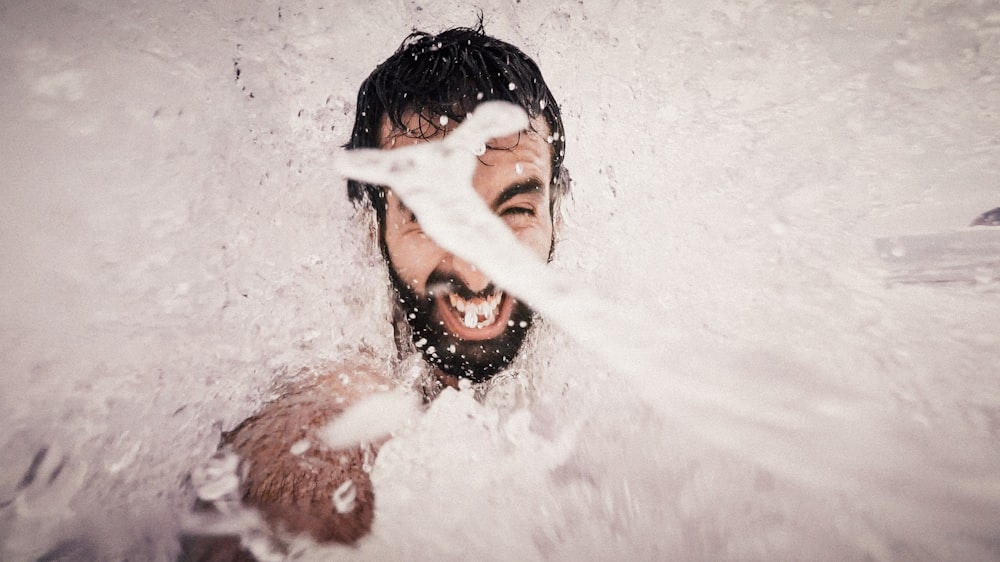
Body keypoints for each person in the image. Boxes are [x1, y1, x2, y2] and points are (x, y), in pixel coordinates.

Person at [180, 21, 568, 560]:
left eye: (517, 211)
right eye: (433, 219)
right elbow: (309, 437)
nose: (478, 273)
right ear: (374, 227)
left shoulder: (603, 365)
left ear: (557, 215)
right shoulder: (353, 370)